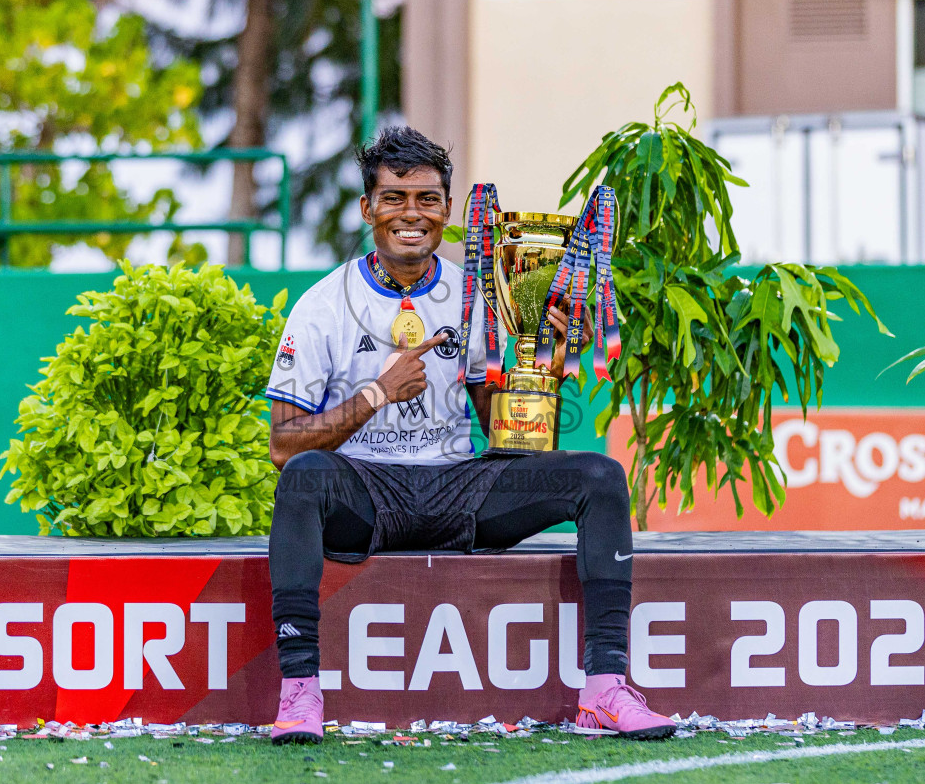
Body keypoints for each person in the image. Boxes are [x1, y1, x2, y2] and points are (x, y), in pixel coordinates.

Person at [263, 126, 676, 744]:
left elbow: (505, 435)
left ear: (449, 210)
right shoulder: (322, 305)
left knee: (599, 477)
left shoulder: (476, 293)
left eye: (427, 199)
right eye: (395, 197)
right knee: (302, 480)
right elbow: (282, 444)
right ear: (367, 209)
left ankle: (604, 690)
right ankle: (299, 691)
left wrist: (542, 362)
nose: (411, 214)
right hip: (367, 492)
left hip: (459, 485)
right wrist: (376, 394)